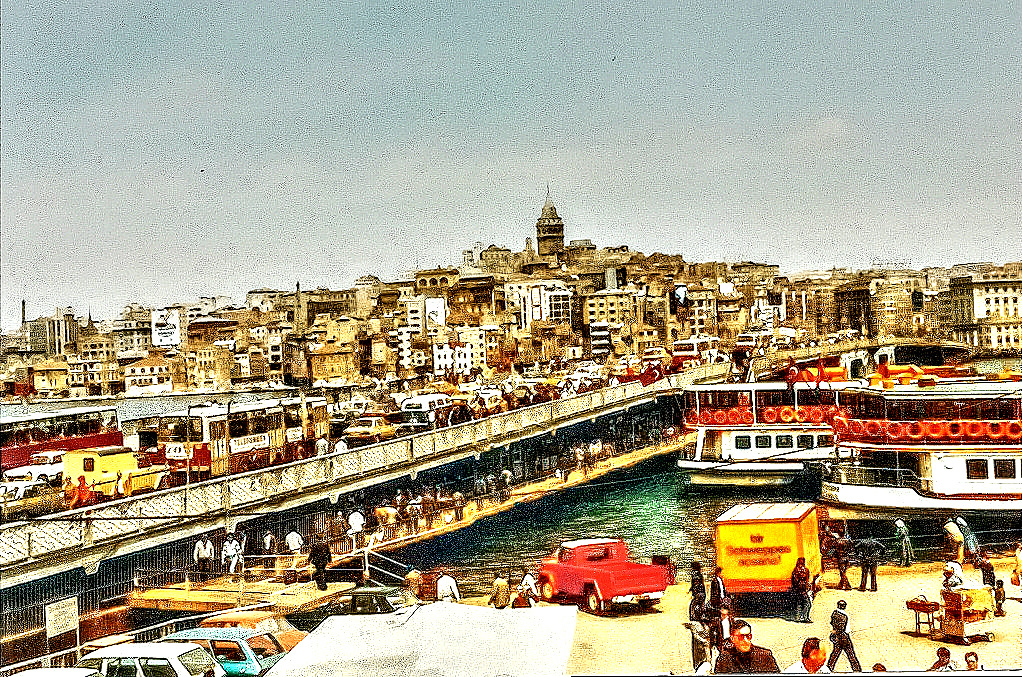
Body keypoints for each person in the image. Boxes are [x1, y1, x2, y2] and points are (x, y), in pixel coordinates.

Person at [713, 619, 780, 673]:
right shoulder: (724, 659)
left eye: (748, 636)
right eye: (741, 636)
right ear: (732, 638)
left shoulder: (765, 656)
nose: (746, 640)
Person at [826, 600, 861, 673]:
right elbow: (841, 628)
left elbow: (832, 622)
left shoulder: (834, 613)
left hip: (837, 636)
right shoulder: (844, 616)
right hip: (843, 636)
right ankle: (857, 669)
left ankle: (829, 668)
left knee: (835, 654)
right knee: (850, 653)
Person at [790, 557, 813, 623]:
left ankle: (798, 618)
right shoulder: (805, 570)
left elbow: (793, 581)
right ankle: (805, 617)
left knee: (799, 603)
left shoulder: (795, 570)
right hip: (802, 590)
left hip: (796, 590)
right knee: (807, 604)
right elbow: (806, 579)